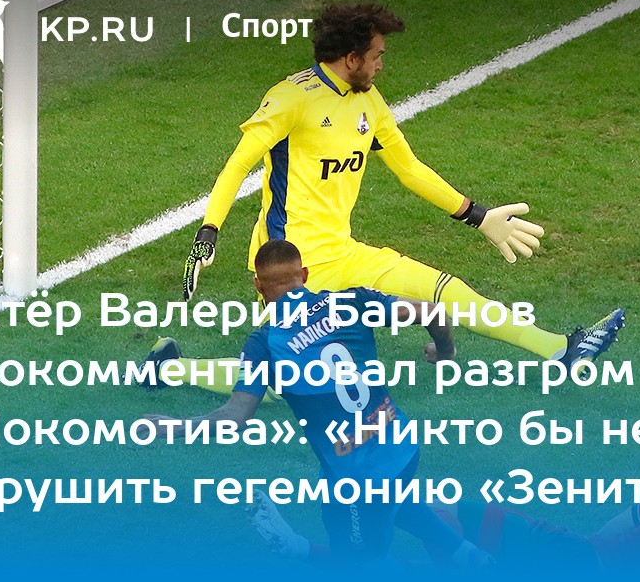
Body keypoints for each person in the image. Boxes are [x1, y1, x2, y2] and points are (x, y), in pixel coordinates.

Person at [181, 1, 623, 387]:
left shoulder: (368, 101)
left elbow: (409, 169)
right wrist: (208, 232)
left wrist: (477, 215)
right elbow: (238, 164)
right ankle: (170, 367)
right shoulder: (290, 99)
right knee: (279, 383)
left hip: (345, 252)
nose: (380, 66)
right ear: (352, 58)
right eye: (376, 56)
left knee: (448, 292)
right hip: (294, 268)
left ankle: (561, 349)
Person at [145, 240, 490, 567]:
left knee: (357, 565)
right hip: (400, 444)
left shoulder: (265, 343)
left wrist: (172, 427)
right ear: (305, 275)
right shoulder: (352, 301)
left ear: (258, 286)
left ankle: (298, 548)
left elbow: (235, 416)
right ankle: (469, 556)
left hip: (355, 477)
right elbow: (431, 312)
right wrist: (445, 352)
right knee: (390, 496)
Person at [252, 492, 640, 575]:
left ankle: (352, 495)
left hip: (572, 558)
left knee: (447, 518)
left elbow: (614, 526)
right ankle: (297, 548)